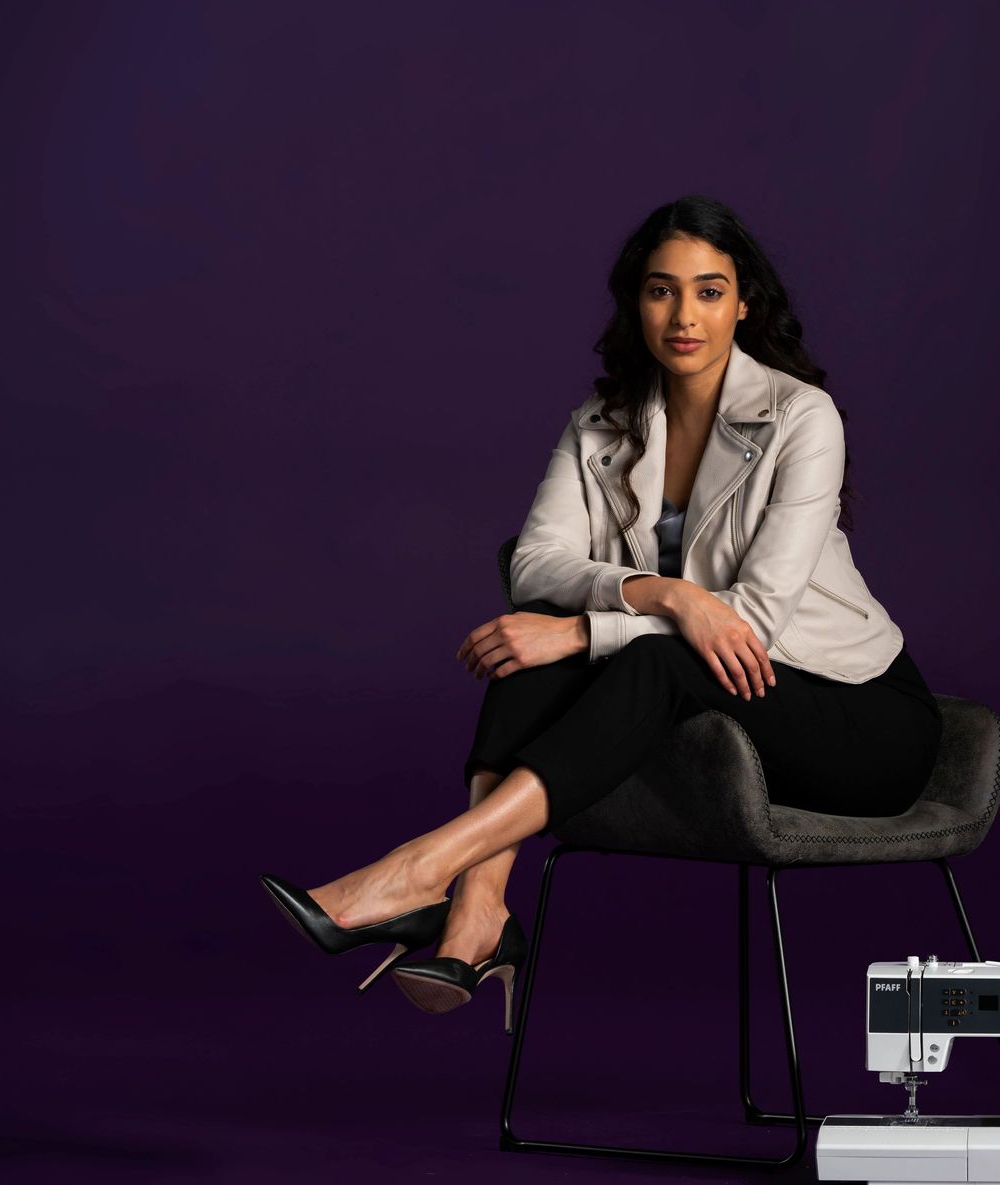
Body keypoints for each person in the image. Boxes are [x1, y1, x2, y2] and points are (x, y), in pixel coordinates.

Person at [259, 195, 942, 1029]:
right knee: (533, 647)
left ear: (744, 303)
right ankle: (478, 912)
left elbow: (751, 624)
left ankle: (420, 868)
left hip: (856, 720)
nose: (684, 315)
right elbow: (536, 566)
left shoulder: (802, 418)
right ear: (636, 303)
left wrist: (588, 627)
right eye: (662, 291)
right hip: (713, 699)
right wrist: (661, 593)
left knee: (612, 648)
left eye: (709, 290)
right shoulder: (599, 425)